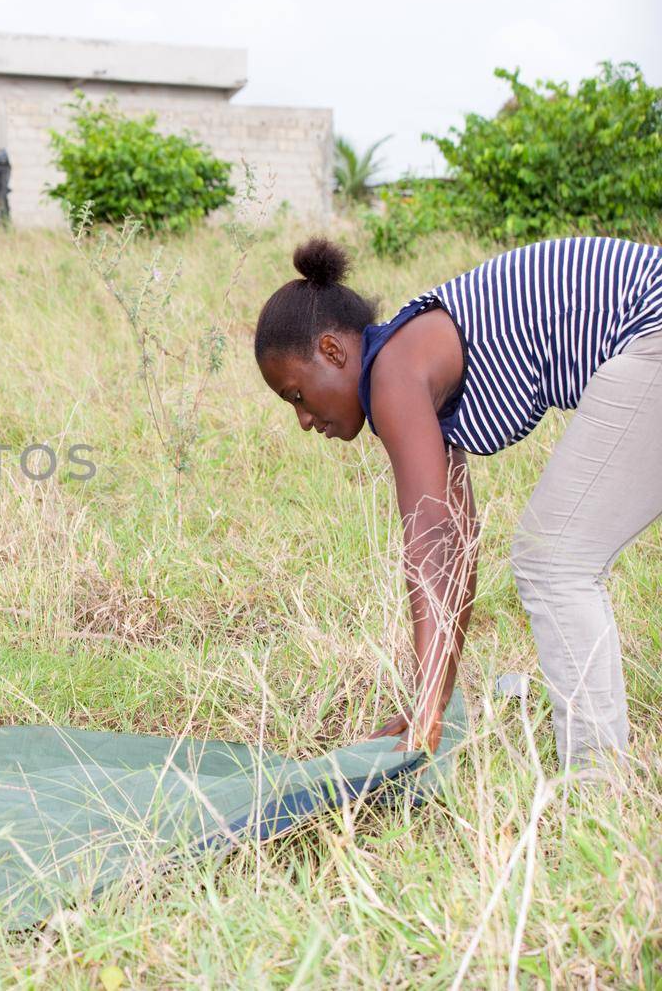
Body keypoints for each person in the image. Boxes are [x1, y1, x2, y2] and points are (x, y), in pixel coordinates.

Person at [253, 236, 662, 771]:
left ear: (332, 351)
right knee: (553, 559)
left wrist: (426, 706)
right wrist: (435, 697)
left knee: (553, 561)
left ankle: (595, 782)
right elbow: (458, 550)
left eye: (297, 395)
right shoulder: (412, 360)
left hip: (650, 326)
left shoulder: (394, 372)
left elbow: (431, 535)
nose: (304, 420)